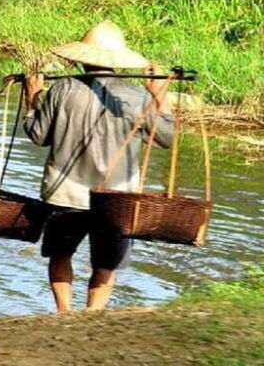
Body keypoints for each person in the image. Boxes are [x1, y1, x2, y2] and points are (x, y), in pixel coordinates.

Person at [22, 21, 174, 313]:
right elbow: (166, 138)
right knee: (106, 264)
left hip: (65, 195)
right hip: (116, 201)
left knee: (60, 255)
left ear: (82, 58)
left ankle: (65, 314)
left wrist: (32, 99)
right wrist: (159, 96)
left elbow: (38, 136)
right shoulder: (136, 97)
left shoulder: (61, 89)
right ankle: (93, 317)